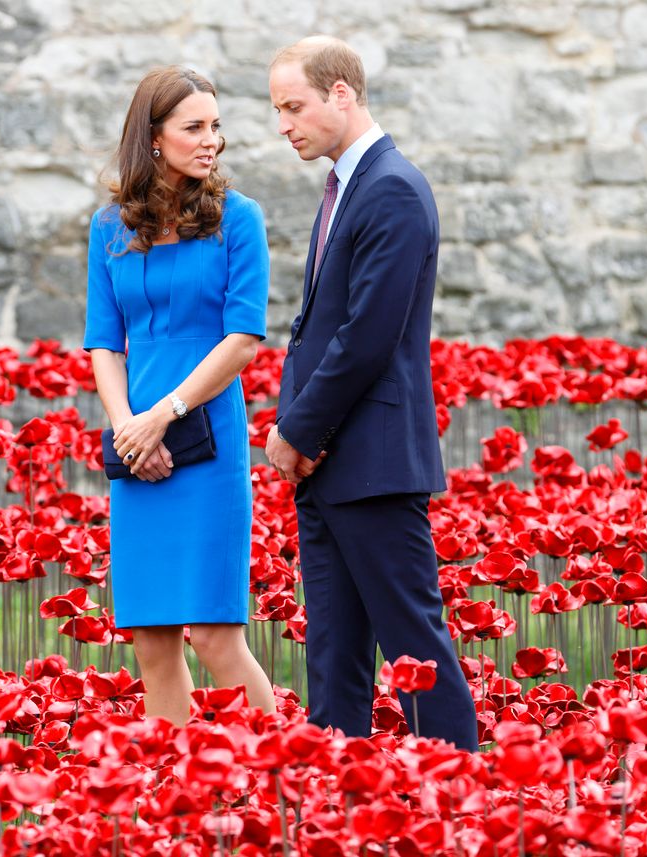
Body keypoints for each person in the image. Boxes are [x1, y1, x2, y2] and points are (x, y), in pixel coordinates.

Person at [265, 37, 478, 750]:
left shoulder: (390, 186)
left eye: (294, 106)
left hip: (372, 461)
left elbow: (367, 335)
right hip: (334, 466)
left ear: (343, 95)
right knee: (334, 654)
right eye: (278, 110)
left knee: (414, 649)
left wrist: (297, 429)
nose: (284, 124)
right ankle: (337, 801)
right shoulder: (350, 185)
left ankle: (458, 792)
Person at [84, 66, 275, 724]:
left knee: (217, 635)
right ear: (154, 139)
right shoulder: (108, 228)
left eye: (216, 126)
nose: (210, 140)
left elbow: (244, 338)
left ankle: (280, 781)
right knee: (152, 642)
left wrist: (164, 415)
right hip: (137, 449)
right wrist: (127, 429)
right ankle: (178, 805)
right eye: (194, 127)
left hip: (208, 441)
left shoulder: (240, 219)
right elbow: (104, 343)